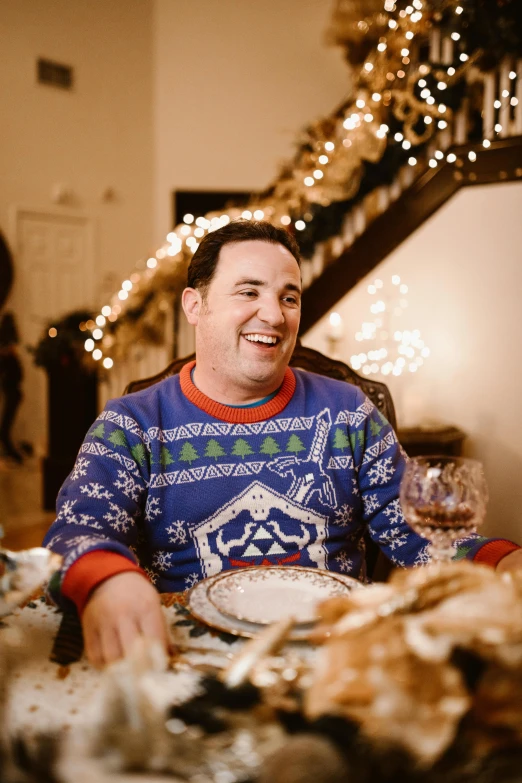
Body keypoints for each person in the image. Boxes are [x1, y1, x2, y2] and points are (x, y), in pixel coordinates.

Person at [43, 220, 522, 667]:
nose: (273, 315)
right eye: (248, 291)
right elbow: (76, 535)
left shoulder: (348, 412)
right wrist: (106, 578)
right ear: (195, 305)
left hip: (336, 659)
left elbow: (419, 533)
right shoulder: (131, 425)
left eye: (289, 298)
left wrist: (499, 560)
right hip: (192, 657)